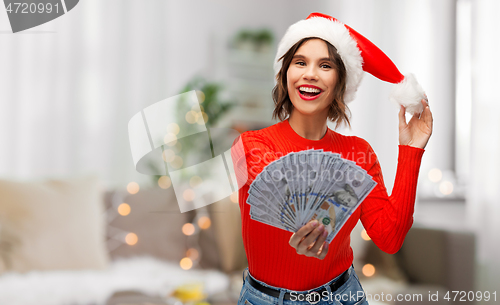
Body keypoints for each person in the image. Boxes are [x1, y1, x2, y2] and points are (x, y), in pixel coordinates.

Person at [231, 12, 433, 305]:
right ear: (285, 74)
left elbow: (389, 239)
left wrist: (411, 150)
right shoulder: (250, 147)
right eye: (300, 62)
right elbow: (273, 222)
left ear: (341, 81)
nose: (310, 73)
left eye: (325, 65)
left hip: (343, 296)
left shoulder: (358, 154)